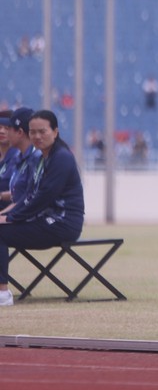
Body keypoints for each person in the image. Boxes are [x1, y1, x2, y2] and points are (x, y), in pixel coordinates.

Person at [0, 110, 85, 306]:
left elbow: (43, 198)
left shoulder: (61, 158)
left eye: (42, 131)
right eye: (33, 132)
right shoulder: (41, 158)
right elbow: (28, 196)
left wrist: (12, 218)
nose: (37, 136)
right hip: (45, 220)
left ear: (55, 132)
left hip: (63, 223)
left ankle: (3, 294)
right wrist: (8, 214)